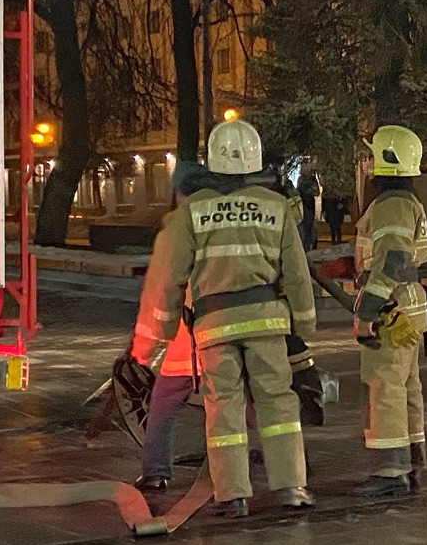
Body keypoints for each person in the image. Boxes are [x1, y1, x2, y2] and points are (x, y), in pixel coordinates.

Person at [132, 119, 317, 517]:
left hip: (215, 326)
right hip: (268, 323)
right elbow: (297, 273)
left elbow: (169, 277)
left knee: (224, 407)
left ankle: (233, 495)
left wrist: (164, 330)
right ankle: (292, 488)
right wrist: (303, 325)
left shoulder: (192, 212)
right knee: (278, 405)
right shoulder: (277, 208)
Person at [354, 125, 427, 497]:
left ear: (387, 160)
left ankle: (389, 470)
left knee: (385, 387)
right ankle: (411, 457)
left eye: (372, 154)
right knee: (406, 386)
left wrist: (367, 311)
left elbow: (393, 259)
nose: (367, 161)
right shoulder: (407, 202)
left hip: (392, 307)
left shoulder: (390, 204)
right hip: (410, 305)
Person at [131, 161, 210, 492]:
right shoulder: (223, 220)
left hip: (186, 338)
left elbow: (161, 291)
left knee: (163, 402)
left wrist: (146, 348)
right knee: (245, 401)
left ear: (178, 192)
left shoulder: (176, 228)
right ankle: (285, 462)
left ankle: (156, 471)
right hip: (231, 334)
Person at [296, 161, 322, 251]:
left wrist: (308, 191)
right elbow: (298, 190)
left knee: (309, 225)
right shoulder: (300, 179)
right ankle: (305, 246)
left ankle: (310, 244)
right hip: (303, 204)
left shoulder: (312, 179)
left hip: (309, 205)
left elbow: (317, 192)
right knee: (304, 225)